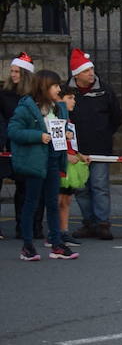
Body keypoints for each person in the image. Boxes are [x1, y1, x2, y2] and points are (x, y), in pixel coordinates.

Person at [8, 69, 77, 260]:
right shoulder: (27, 107)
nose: (58, 89)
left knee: (53, 203)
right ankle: (27, 246)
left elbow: (61, 127)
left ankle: (57, 244)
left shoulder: (58, 107)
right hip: (36, 161)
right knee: (31, 203)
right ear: (44, 86)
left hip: (53, 159)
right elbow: (13, 131)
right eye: (55, 86)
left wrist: (67, 133)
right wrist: (38, 136)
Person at [68, 48, 122, 241]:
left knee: (100, 186)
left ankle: (102, 224)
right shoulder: (67, 92)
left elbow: (116, 117)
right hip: (76, 150)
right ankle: (89, 223)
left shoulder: (105, 90)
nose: (91, 73)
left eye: (91, 69)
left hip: (100, 148)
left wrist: (104, 134)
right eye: (86, 70)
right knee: (81, 188)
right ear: (76, 74)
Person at [2, 53, 38, 240]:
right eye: (12, 71)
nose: (13, 75)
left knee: (24, 188)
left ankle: (22, 225)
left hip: (26, 146)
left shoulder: (34, 96)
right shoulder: (4, 95)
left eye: (17, 71)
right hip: (6, 145)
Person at [56, 87, 88, 246]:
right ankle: (55, 233)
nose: (73, 101)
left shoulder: (69, 121)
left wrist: (79, 154)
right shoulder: (56, 119)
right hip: (60, 164)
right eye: (69, 98)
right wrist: (66, 156)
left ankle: (64, 231)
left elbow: (71, 144)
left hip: (70, 164)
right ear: (59, 100)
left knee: (66, 200)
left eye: (73, 98)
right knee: (57, 200)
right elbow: (55, 144)